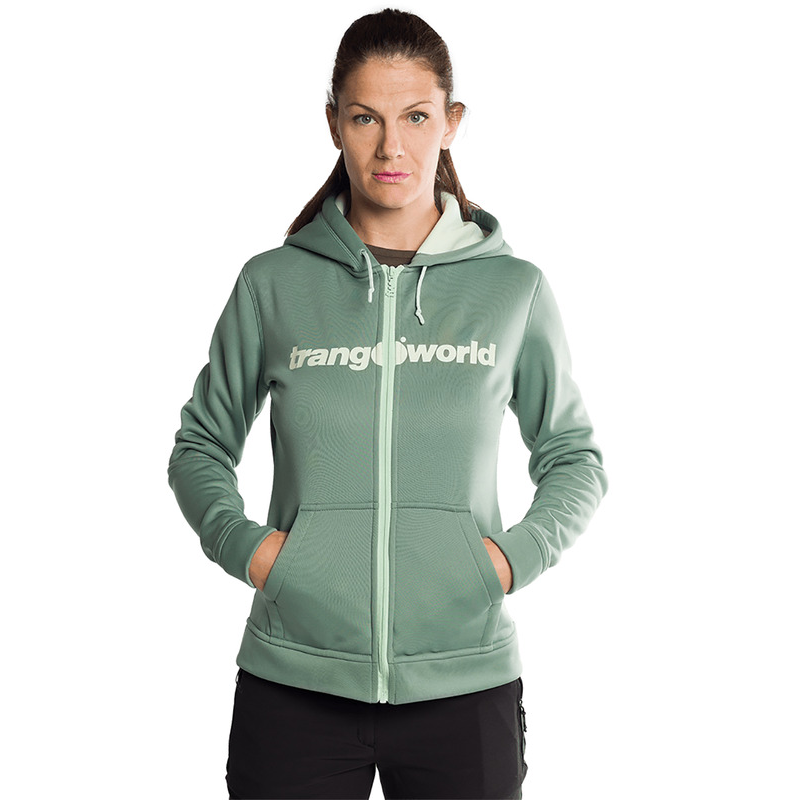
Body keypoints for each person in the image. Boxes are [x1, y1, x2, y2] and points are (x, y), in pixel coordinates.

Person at [167, 8, 608, 799]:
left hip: (465, 683)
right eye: (365, 118)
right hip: (293, 683)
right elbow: (200, 445)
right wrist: (254, 551)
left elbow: (574, 457)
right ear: (333, 123)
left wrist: (510, 561)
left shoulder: (512, 290)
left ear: (452, 122)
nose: (390, 147)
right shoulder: (273, 285)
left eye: (416, 117)